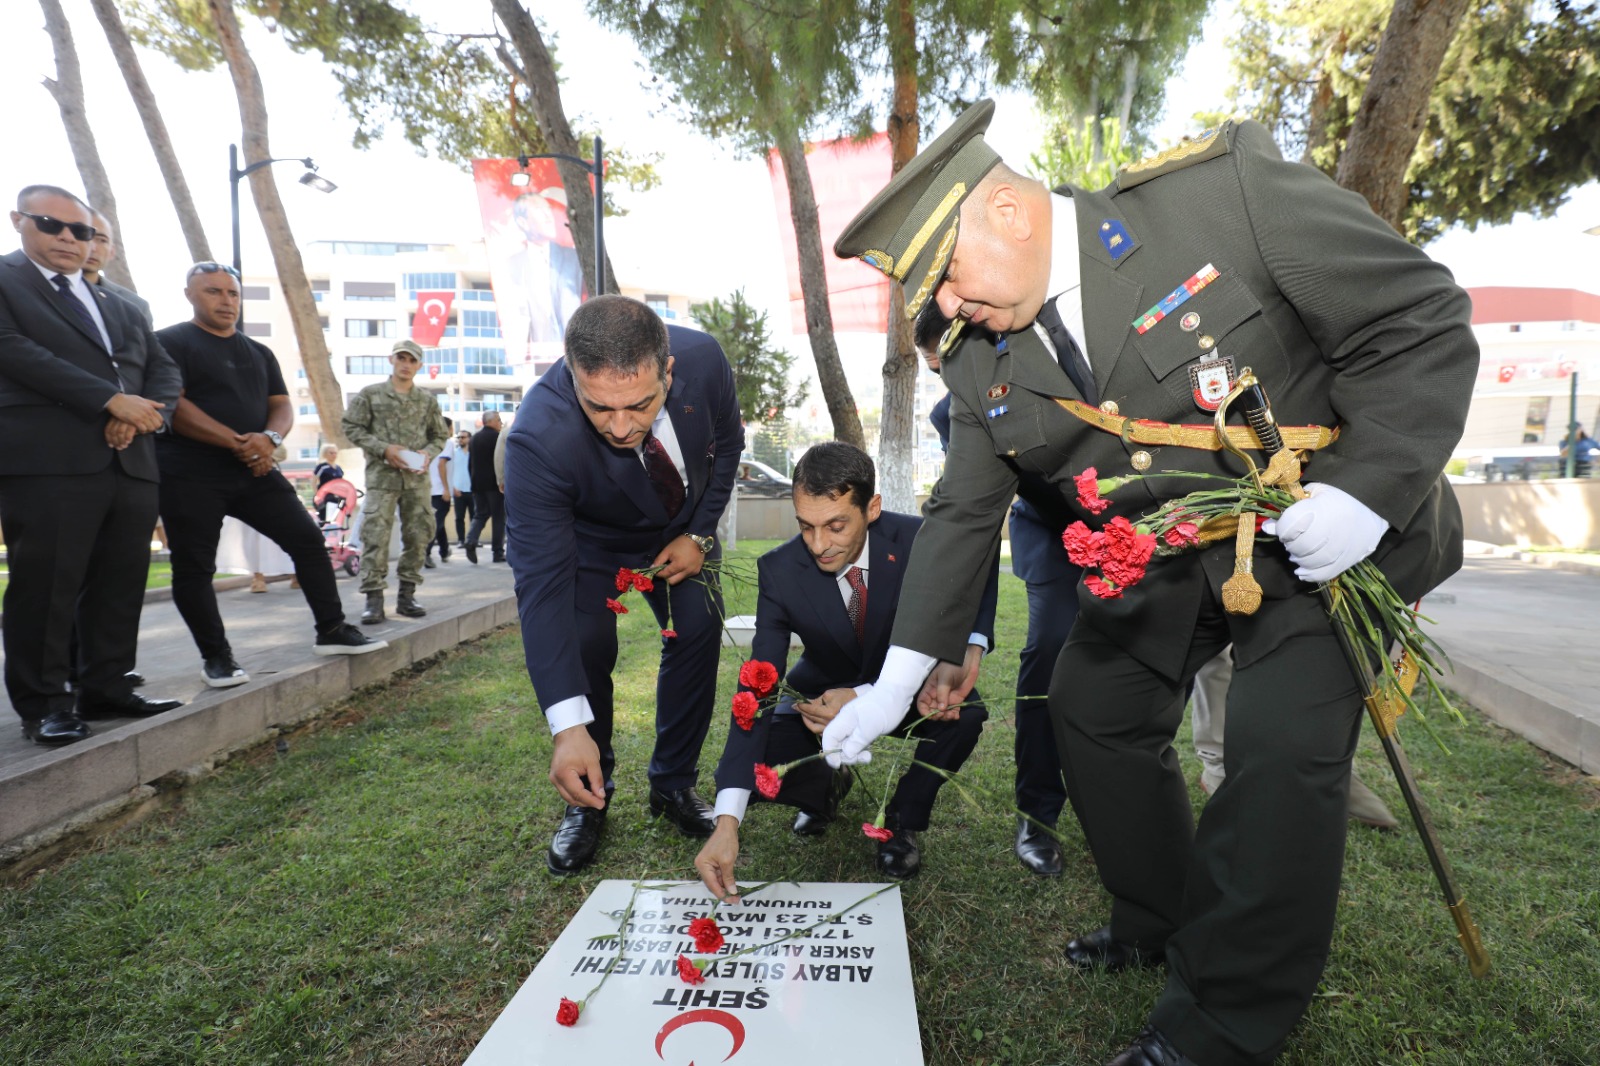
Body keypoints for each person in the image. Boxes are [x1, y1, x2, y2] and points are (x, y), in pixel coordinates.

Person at [829, 103, 1476, 1066]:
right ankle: (1158, 918)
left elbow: (1420, 319)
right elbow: (964, 516)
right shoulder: (978, 362)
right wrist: (895, 680)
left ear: (1006, 210)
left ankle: (1219, 1022)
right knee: (1091, 699)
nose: (950, 310)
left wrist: (1369, 494)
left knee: (1276, 745)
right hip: (1183, 556)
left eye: (950, 279)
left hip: (1326, 536)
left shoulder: (1225, 199)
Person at [503, 294, 743, 875]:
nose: (619, 427)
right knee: (587, 645)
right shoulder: (536, 437)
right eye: (598, 407)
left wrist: (701, 535)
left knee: (698, 626)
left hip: (681, 533)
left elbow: (729, 446)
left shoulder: (705, 359)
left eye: (638, 406)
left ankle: (673, 783)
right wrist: (567, 725)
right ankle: (592, 792)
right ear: (572, 376)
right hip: (590, 544)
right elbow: (542, 590)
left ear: (668, 370)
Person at [696, 442, 994, 896]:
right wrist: (727, 820)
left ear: (871, 508)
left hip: (911, 690)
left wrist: (969, 645)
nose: (818, 544)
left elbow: (978, 563)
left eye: (835, 526)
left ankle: (900, 821)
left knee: (965, 715)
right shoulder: (779, 571)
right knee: (765, 743)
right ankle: (824, 788)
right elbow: (756, 687)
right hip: (821, 699)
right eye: (805, 526)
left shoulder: (921, 542)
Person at [1, 184, 185, 744]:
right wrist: (109, 401)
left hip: (130, 460)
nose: (67, 238)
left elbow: (162, 369)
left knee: (119, 582)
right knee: (48, 584)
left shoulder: (119, 301)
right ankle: (45, 704)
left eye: (79, 231)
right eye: (50, 225)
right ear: (18, 221)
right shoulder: (7, 281)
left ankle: (106, 685)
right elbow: (13, 348)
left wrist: (143, 415)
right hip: (49, 461)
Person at [154, 261, 384, 685]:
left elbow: (280, 405)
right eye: (213, 292)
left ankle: (332, 629)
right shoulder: (169, 342)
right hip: (189, 472)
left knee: (308, 541)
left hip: (256, 470)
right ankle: (218, 658)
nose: (226, 301)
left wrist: (270, 440)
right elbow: (175, 406)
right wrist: (243, 444)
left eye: (232, 293)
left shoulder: (258, 352)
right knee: (194, 568)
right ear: (190, 294)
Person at [918, 302, 1075, 877]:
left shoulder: (1059, 362)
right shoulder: (951, 416)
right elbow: (970, 519)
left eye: (950, 367)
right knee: (1051, 648)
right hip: (1052, 532)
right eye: (936, 374)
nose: (949, 384)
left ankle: (1121, 797)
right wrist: (965, 635)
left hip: (1136, 523)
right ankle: (1038, 813)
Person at [342, 339, 450, 624]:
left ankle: (407, 595)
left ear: (419, 365)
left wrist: (426, 454)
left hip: (416, 481)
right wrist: (382, 448)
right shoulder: (371, 395)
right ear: (392, 360)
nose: (406, 364)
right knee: (375, 536)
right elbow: (350, 426)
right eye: (401, 358)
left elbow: (440, 436)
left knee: (418, 536)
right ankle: (373, 599)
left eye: (412, 360)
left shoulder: (427, 401)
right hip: (382, 478)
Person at [81, 210, 152, 327]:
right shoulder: (43, 290)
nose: (93, 248)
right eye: (85, 236)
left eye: (102, 240)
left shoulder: (135, 305)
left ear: (112, 252)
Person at [464, 410, 504, 563]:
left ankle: (470, 540)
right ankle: (497, 552)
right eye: (499, 420)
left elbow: (470, 464)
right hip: (495, 484)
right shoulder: (497, 437)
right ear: (491, 421)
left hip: (477, 484)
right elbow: (501, 460)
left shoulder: (474, 438)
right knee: (499, 518)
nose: (500, 423)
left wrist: (472, 482)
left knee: (480, 514)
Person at [427, 418, 454, 567]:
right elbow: (441, 465)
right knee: (436, 523)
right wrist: (445, 488)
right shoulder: (447, 442)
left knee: (439, 521)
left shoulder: (429, 442)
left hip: (429, 489)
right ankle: (426, 552)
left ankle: (444, 550)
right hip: (439, 490)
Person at [448, 427, 474, 546]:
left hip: (473, 490)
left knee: (474, 517)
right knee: (459, 517)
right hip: (458, 490)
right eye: (458, 437)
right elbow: (449, 472)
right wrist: (452, 487)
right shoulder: (453, 454)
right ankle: (461, 540)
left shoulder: (474, 454)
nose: (460, 439)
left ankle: (473, 540)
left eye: (463, 437)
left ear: (469, 439)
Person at [312, 444, 345, 524]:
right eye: (331, 453)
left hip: (337, 498)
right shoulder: (322, 467)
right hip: (325, 498)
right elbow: (313, 482)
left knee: (337, 522)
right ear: (325, 454)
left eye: (335, 453)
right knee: (325, 521)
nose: (334, 455)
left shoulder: (339, 468)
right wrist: (318, 496)